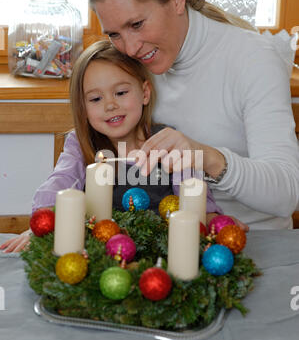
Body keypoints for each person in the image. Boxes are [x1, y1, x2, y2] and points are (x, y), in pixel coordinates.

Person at [87, 0, 299, 230]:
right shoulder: (128, 64)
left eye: (137, 24)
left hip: (252, 241)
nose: (130, 47)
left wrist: (206, 156)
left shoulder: (253, 57)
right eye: (115, 34)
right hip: (161, 238)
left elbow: (286, 195)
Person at [1, 40, 240, 254]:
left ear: (144, 93)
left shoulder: (167, 140)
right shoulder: (81, 143)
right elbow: (59, 182)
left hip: (163, 252)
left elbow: (195, 193)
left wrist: (214, 222)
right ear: (83, 108)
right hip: (100, 254)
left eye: (121, 92)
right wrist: (43, 224)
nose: (110, 105)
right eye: (96, 99)